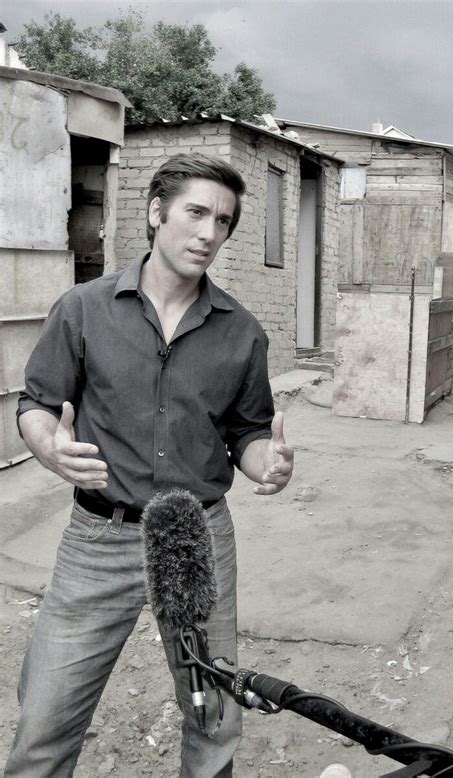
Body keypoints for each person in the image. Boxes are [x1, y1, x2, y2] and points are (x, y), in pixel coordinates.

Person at [6, 154, 294, 777]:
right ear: (156, 212)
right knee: (45, 719)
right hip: (99, 538)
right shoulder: (83, 309)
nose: (209, 233)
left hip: (197, 537)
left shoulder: (241, 332)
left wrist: (263, 460)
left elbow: (245, 431)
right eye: (195, 213)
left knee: (214, 714)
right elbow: (35, 402)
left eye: (223, 220)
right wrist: (50, 449)